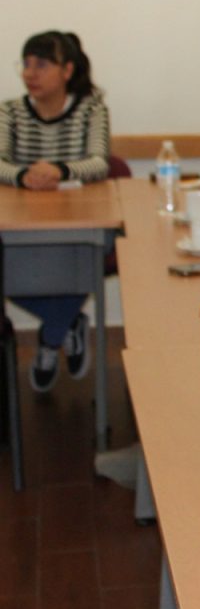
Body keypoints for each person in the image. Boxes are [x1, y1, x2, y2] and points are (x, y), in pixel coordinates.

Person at [0, 31, 110, 391]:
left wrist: (59, 171)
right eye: (26, 64)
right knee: (11, 271)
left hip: (78, 220)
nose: (30, 73)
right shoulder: (10, 111)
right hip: (20, 222)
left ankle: (51, 337)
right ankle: (65, 323)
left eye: (41, 65)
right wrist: (22, 176)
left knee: (86, 260)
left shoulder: (91, 109)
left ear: (67, 70)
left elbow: (99, 162)